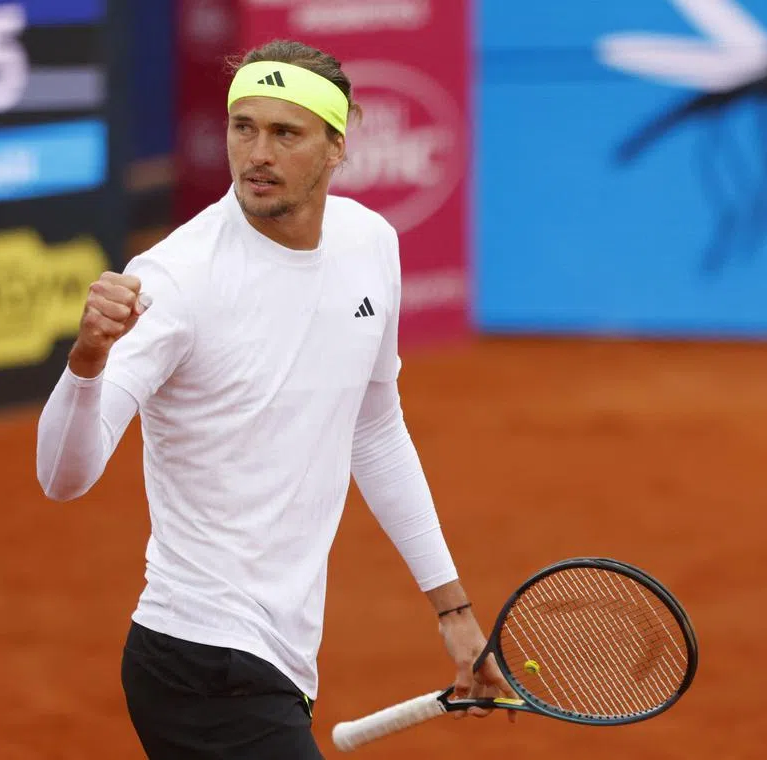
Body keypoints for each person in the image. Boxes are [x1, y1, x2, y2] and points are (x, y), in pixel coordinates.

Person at [35, 39, 513, 759]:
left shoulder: (369, 244)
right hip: (199, 659)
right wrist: (87, 361)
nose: (256, 153)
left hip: (279, 657)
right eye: (243, 127)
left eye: (285, 133)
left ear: (335, 147)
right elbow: (62, 479)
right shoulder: (175, 279)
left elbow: (376, 429)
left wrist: (453, 611)